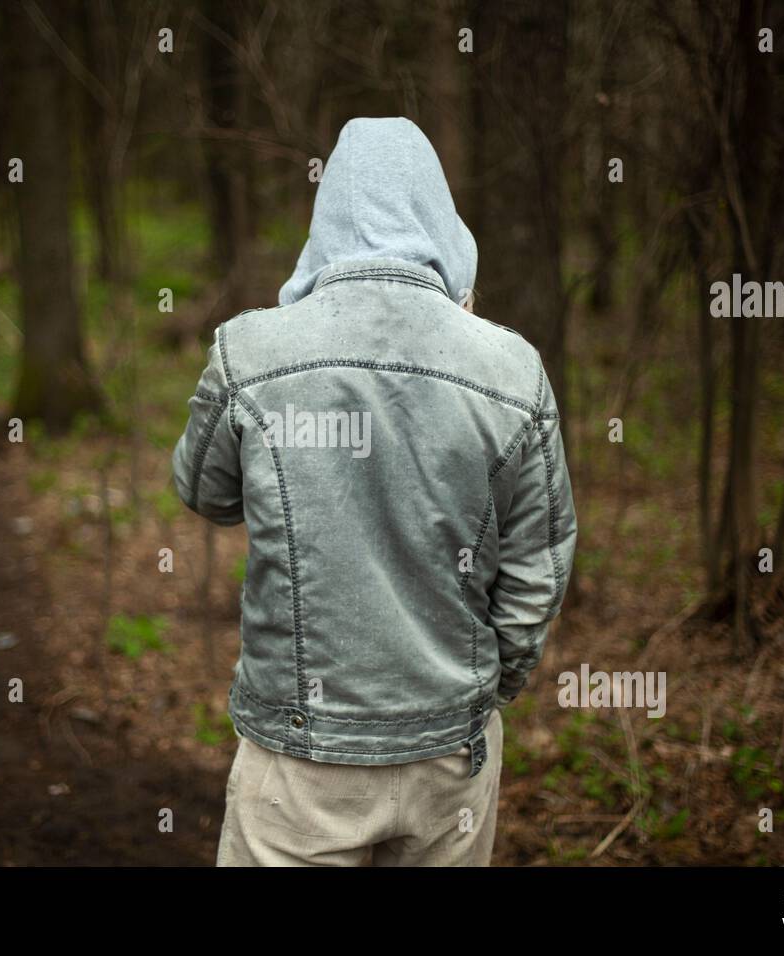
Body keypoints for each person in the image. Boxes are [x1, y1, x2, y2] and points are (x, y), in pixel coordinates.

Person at [172, 116, 576, 866]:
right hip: (450, 755)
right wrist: (489, 686)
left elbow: (203, 490)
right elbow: (538, 565)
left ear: (325, 222)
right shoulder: (514, 367)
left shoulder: (252, 347)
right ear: (440, 219)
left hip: (301, 760)